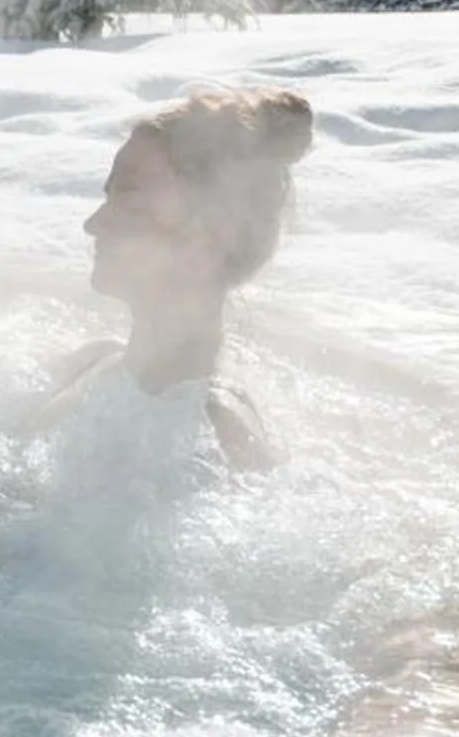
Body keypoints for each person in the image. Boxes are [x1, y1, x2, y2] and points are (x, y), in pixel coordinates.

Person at [31, 88, 316, 472]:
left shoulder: (220, 439)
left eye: (129, 200)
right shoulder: (95, 361)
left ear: (213, 236)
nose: (93, 224)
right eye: (108, 198)